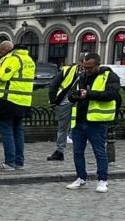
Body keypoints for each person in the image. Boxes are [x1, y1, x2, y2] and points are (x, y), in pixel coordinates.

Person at [60, 53, 120, 193]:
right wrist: (74, 96)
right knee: (77, 152)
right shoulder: (82, 76)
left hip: (97, 121)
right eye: (84, 67)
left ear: (97, 65)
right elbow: (71, 93)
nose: (86, 70)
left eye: (89, 67)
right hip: (80, 120)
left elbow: (112, 95)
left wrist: (89, 94)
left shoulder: (109, 76)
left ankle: (102, 180)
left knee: (99, 152)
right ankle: (81, 178)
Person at [0, 40, 35, 171]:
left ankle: (9, 162)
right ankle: (19, 162)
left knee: (7, 131)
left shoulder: (12, 58)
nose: (0, 54)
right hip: (23, 100)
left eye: (0, 51)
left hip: (7, 99)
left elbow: (2, 77)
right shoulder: (29, 59)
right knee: (18, 130)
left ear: (4, 50)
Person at [47, 63, 77, 162]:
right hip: (65, 101)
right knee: (62, 127)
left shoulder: (92, 72)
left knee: (79, 126)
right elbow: (54, 85)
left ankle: (77, 150)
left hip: (81, 101)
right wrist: (53, 101)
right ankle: (60, 151)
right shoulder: (68, 70)